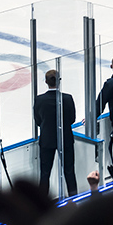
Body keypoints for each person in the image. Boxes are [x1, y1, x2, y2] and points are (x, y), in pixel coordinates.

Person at [34, 68, 77, 196]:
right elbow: (72, 119)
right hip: (65, 138)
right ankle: (74, 199)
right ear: (59, 81)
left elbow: (38, 120)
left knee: (45, 173)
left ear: (46, 81)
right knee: (69, 171)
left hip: (47, 140)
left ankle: (41, 205)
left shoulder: (39, 100)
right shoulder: (68, 98)